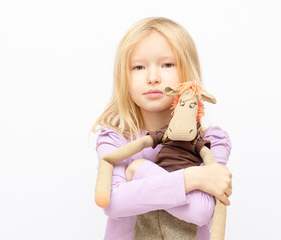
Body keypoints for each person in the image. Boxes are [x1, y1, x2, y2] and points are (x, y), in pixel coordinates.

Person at [92, 17, 233, 240]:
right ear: (124, 78)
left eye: (167, 64)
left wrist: (139, 170)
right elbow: (114, 203)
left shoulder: (211, 141)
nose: (153, 78)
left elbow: (200, 211)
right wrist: (194, 178)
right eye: (138, 67)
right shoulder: (115, 139)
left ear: (189, 73)